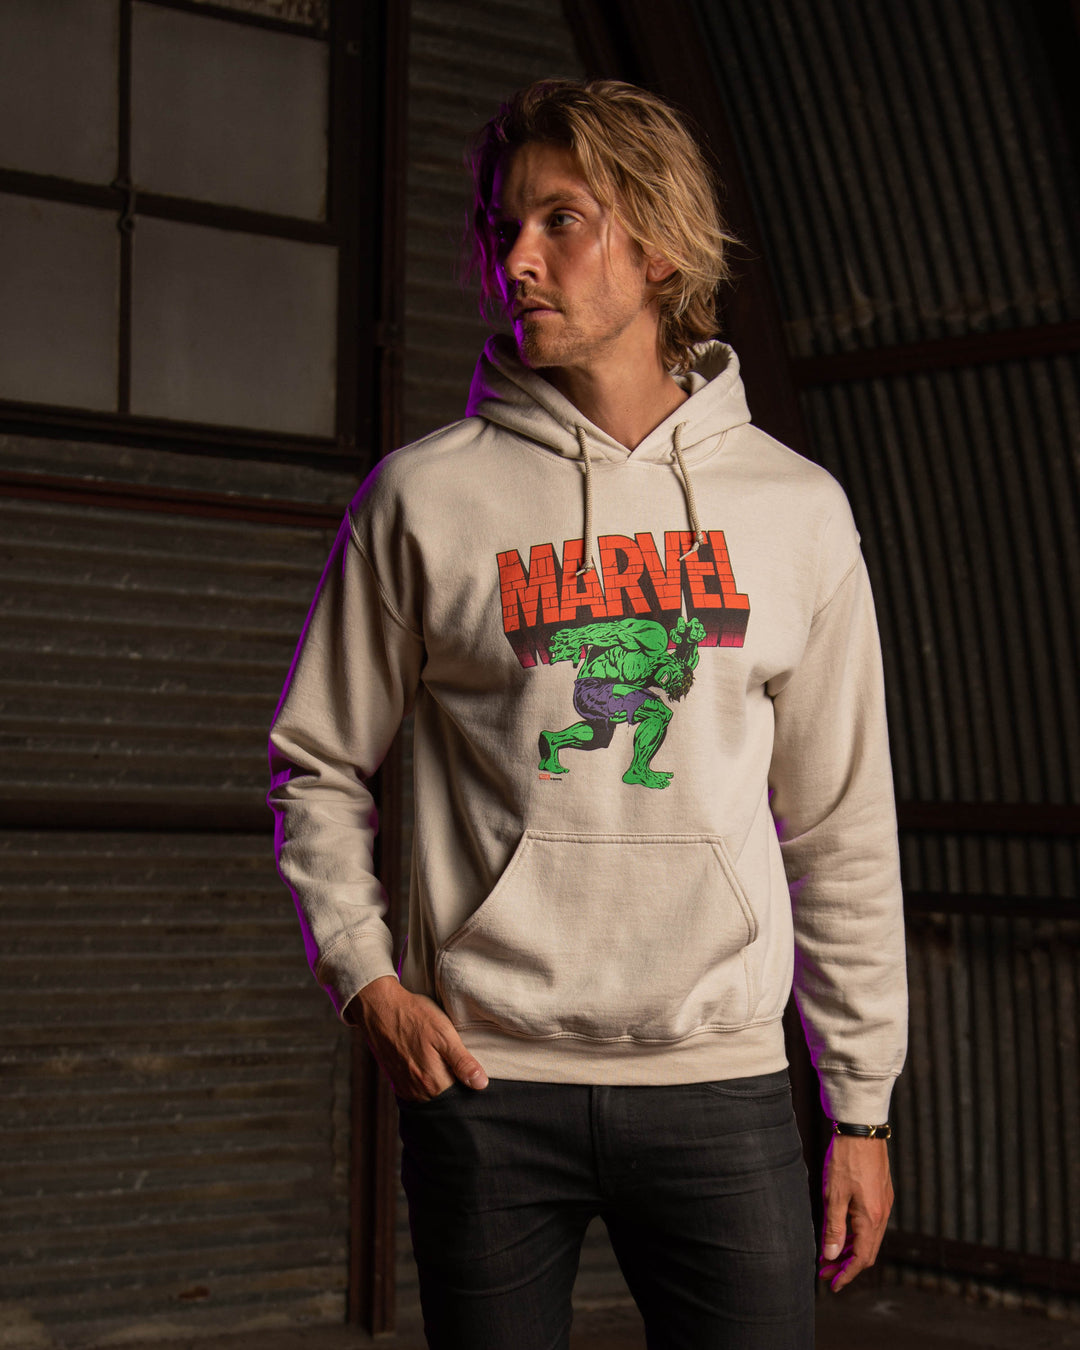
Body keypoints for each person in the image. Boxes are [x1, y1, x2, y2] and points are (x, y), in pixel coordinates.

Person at [269, 78, 907, 1350]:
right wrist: (367, 979)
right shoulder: (422, 501)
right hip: (485, 1082)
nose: (516, 259)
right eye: (504, 225)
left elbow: (841, 824)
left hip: (721, 1084)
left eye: (561, 220)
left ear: (659, 242)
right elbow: (318, 764)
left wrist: (863, 1103)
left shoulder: (796, 511)